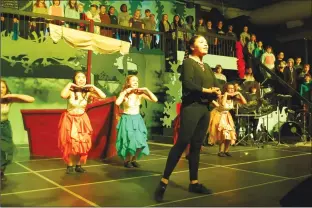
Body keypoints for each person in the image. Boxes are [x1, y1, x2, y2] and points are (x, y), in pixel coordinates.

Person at [154, 35, 221, 202]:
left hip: (205, 109)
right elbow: (189, 84)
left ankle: (194, 182)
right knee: (183, 142)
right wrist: (208, 90)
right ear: (192, 46)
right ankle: (163, 181)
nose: (206, 44)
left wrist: (218, 92)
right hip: (191, 108)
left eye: (206, 42)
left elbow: (216, 85)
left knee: (197, 145)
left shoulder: (206, 66)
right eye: (201, 42)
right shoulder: (188, 63)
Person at [58, 71, 106, 174]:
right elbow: (62, 95)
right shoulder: (70, 91)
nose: (81, 79)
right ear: (74, 79)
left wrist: (93, 86)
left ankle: (79, 165)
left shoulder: (87, 92)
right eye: (78, 77)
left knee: (83, 142)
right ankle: (70, 165)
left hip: (82, 119)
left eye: (83, 77)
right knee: (71, 143)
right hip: (70, 119)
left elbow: (103, 96)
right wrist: (70, 84)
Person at [115, 75, 158, 168]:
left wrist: (146, 89)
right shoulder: (124, 94)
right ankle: (127, 161)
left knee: (139, 140)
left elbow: (155, 99)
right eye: (133, 80)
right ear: (128, 82)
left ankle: (134, 159)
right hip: (127, 119)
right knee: (129, 140)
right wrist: (125, 92)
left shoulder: (140, 93)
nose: (135, 82)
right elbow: (117, 103)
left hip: (137, 119)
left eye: (137, 81)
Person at [1, 79, 35, 181]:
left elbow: (31, 99)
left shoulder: (8, 100)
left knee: (5, 150)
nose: (0, 89)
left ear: (6, 89)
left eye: (3, 87)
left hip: (4, 127)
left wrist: (12, 95)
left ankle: (1, 171)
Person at [208, 83, 247, 157]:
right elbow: (222, 104)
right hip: (219, 116)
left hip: (227, 116)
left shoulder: (234, 99)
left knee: (230, 133)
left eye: (233, 88)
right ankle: (221, 151)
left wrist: (239, 93)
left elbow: (244, 102)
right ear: (226, 89)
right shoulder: (221, 96)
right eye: (229, 88)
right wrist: (226, 94)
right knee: (223, 134)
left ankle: (226, 151)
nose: (231, 90)